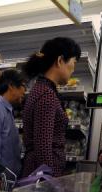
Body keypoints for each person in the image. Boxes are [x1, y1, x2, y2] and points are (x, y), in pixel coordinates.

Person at [22, 37, 81, 177]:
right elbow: (43, 147)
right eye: (74, 62)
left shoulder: (43, 90)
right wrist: (49, 184)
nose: (73, 69)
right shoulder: (46, 95)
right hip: (43, 178)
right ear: (60, 61)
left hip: (39, 173)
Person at [0, 69, 26, 177]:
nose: (24, 91)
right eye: (23, 86)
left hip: (8, 182)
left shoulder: (7, 111)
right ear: (11, 86)